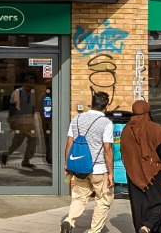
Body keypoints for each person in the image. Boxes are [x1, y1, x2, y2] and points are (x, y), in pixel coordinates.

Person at [121, 99, 161, 233]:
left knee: (139, 206)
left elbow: (124, 152)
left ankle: (144, 228)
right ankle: (147, 227)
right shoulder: (154, 128)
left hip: (133, 174)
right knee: (158, 204)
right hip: (154, 173)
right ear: (147, 111)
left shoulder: (126, 130)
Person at [62, 91, 115, 233]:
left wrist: (67, 163)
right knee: (103, 200)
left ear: (91, 103)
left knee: (79, 197)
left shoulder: (77, 118)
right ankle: (94, 231)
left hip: (79, 167)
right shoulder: (106, 123)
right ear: (106, 106)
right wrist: (111, 173)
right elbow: (107, 150)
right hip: (98, 169)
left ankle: (69, 220)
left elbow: (69, 143)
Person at [0, 73, 43, 169]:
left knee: (33, 141)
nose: (30, 85)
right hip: (20, 120)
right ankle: (6, 154)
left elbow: (34, 107)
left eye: (32, 83)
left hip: (30, 120)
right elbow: (12, 106)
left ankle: (26, 160)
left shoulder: (33, 93)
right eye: (29, 83)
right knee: (17, 142)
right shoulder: (17, 92)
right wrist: (12, 119)